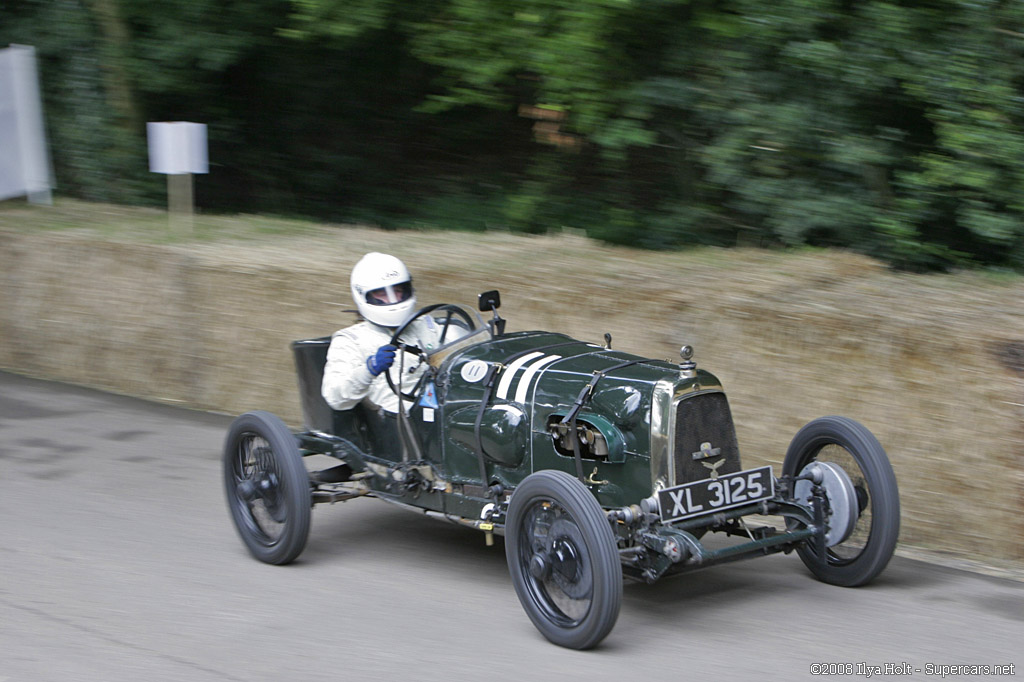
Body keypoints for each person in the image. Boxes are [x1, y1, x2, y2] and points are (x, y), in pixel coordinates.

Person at [321, 252, 442, 414]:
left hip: (441, 405)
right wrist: (369, 370)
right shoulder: (350, 340)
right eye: (382, 294)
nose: (393, 299)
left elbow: (460, 355)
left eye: (398, 290)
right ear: (364, 296)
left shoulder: (426, 324)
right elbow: (334, 398)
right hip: (399, 421)